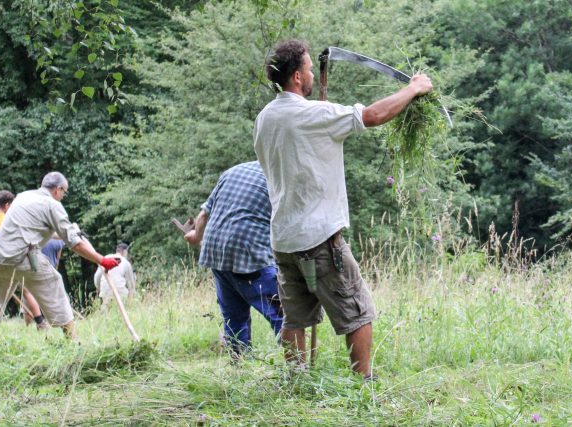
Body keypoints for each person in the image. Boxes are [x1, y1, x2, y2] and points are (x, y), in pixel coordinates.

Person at [253, 39, 434, 379]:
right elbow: (373, 115)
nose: (310, 74)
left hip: (284, 238)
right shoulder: (313, 114)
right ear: (296, 78)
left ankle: (297, 381)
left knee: (296, 317)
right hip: (319, 236)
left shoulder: (265, 119)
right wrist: (414, 89)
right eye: (307, 69)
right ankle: (363, 384)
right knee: (357, 309)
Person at [0, 172, 121, 340]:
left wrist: (71, 232)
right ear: (58, 189)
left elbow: (31, 228)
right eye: (64, 192)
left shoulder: (23, 197)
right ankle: (73, 342)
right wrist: (102, 260)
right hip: (22, 257)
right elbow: (75, 244)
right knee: (55, 284)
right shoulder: (52, 205)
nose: (63, 197)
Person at [184, 161, 283, 357]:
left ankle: (240, 369)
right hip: (249, 252)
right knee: (284, 314)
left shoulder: (233, 171)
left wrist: (196, 237)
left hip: (216, 251)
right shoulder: (281, 176)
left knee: (234, 317)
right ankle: (297, 369)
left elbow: (203, 215)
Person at [94, 243, 136, 310]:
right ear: (125, 252)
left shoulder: (105, 258)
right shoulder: (125, 262)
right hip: (120, 292)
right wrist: (131, 300)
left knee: (106, 312)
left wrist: (99, 288)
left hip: (105, 291)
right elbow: (131, 285)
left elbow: (97, 277)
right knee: (120, 311)